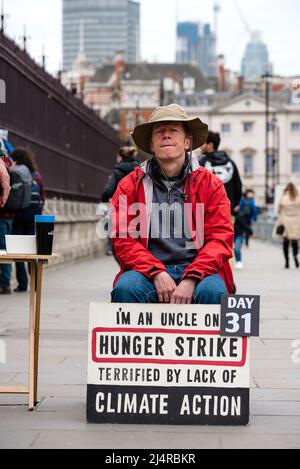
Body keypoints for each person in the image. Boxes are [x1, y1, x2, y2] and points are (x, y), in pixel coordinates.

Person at [110, 104, 235, 305]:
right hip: (147, 273)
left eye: (173, 130)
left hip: (200, 271)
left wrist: (192, 276)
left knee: (213, 291)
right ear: (151, 144)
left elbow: (220, 239)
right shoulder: (129, 186)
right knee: (126, 288)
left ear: (187, 142)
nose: (166, 135)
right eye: (159, 131)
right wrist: (156, 272)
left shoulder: (211, 185)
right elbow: (123, 240)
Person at [11, 148, 45, 292]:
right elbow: (42, 197)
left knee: (18, 252)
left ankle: (23, 284)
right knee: (32, 253)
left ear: (16, 160)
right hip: (33, 217)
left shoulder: (15, 172)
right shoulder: (37, 176)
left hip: (18, 216)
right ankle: (36, 283)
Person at [100, 146, 139, 255]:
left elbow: (109, 189)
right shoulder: (140, 169)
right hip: (138, 205)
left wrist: (103, 200)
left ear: (120, 157)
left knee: (115, 226)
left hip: (121, 204)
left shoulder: (118, 170)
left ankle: (110, 247)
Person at [199, 131, 242, 215]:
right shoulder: (231, 163)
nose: (200, 146)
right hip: (227, 213)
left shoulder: (201, 164)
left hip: (207, 214)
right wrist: (233, 206)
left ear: (210, 145)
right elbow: (238, 187)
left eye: (203, 143)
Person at [276, 183, 300, 269]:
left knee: (285, 243)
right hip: (296, 221)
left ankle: (287, 261)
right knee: (295, 242)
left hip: (285, 221)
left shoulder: (283, 198)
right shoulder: (298, 197)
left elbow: (278, 210)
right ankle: (295, 256)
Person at [0, 146, 14, 294]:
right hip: (10, 216)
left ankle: (5, 284)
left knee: (3, 251)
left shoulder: (4, 169)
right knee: (6, 251)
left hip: (2, 216)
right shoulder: (10, 168)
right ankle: (6, 282)